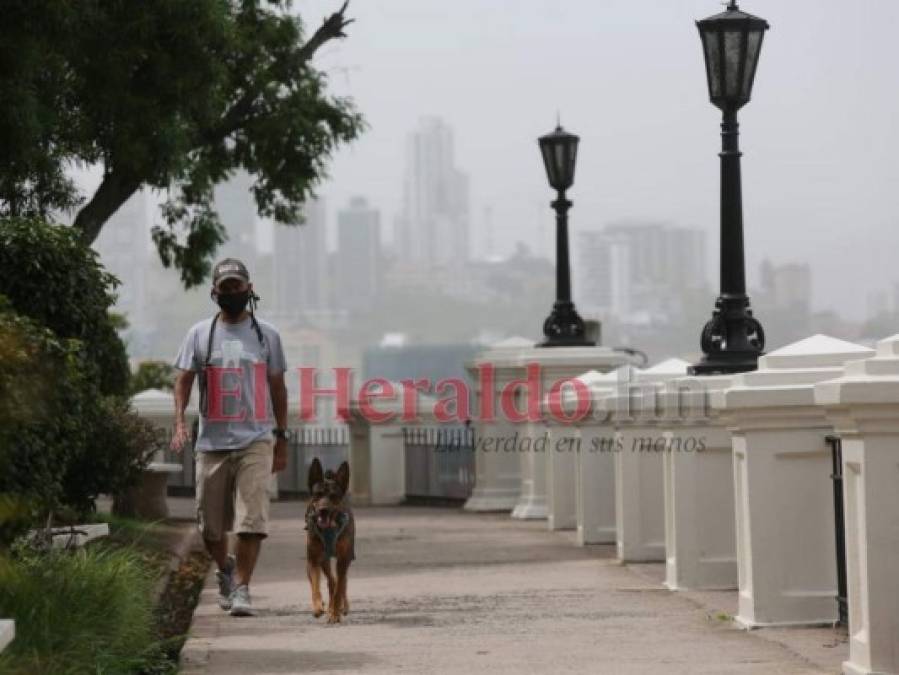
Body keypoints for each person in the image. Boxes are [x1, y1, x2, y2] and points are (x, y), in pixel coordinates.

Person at [170, 258, 289, 617]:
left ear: (249, 289)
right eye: (226, 288)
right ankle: (225, 570)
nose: (232, 293)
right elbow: (183, 380)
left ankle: (241, 588)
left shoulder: (267, 335)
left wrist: (281, 437)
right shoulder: (199, 334)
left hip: (255, 439)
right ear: (214, 293)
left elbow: (278, 388)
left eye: (238, 286)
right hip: (211, 443)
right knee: (209, 526)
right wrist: (179, 422)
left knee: (251, 520)